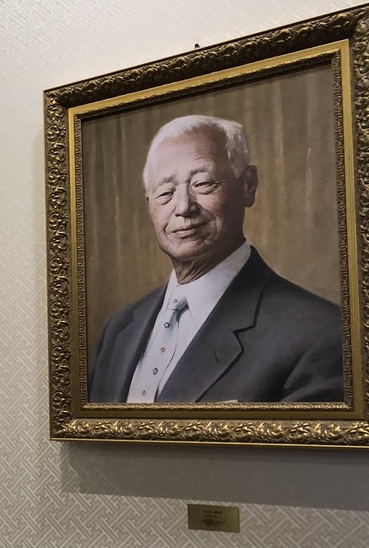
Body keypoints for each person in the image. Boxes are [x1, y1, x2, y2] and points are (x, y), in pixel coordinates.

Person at [89, 115, 344, 403]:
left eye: (203, 183)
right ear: (150, 205)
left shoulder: (320, 333)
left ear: (248, 185)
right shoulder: (119, 329)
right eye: (165, 192)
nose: (183, 207)